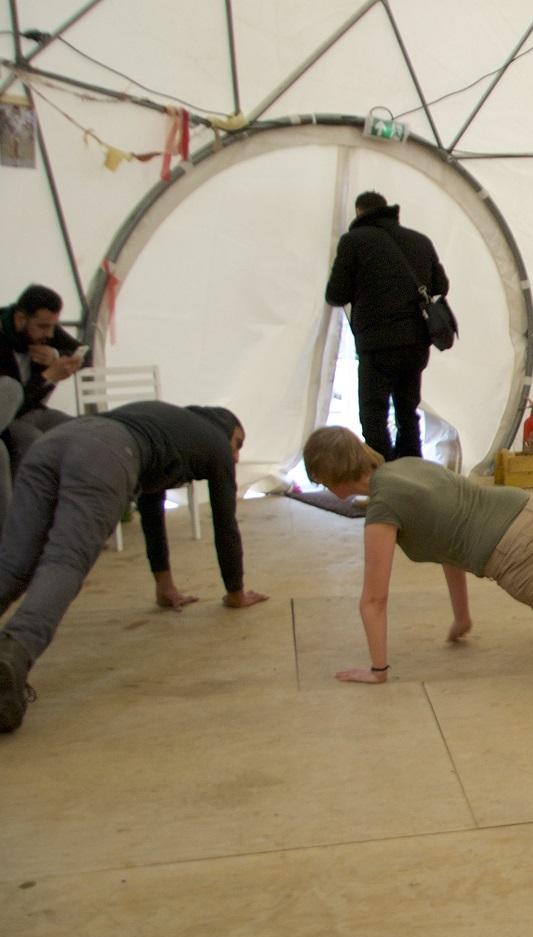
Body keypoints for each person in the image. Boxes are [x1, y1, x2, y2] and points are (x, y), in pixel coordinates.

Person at [302, 426, 533, 684]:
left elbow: (373, 600)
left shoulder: (382, 508)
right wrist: (461, 616)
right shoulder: (405, 468)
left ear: (330, 473)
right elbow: (447, 542)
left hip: (520, 553)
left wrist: (378, 669)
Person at [0, 401, 268, 733]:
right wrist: (236, 592)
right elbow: (224, 522)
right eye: (238, 444)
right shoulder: (213, 441)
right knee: (65, 560)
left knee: (13, 563)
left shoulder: (166, 426)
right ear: (224, 429)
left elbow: (152, 510)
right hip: (103, 454)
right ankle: (14, 652)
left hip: (55, 440)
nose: (238, 457)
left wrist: (164, 586)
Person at [324, 191, 448, 461]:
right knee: (407, 410)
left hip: (376, 343)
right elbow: (442, 286)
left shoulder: (353, 242)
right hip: (416, 342)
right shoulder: (420, 241)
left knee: (374, 414)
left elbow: (335, 294)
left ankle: (384, 476)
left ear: (360, 213)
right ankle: (412, 472)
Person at [0, 283, 83, 463]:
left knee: (84, 431)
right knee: (33, 441)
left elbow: (84, 353)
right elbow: (10, 402)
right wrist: (48, 377)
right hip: (9, 419)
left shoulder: (44, 330)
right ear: (20, 318)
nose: (51, 334)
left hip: (34, 411)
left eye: (54, 326)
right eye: (44, 327)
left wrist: (56, 355)